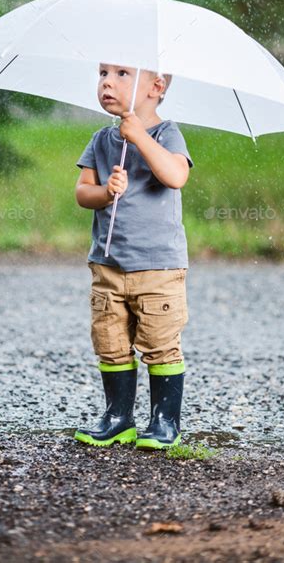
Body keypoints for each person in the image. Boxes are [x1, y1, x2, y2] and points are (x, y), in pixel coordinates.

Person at [74, 63, 194, 449]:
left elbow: (175, 175)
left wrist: (140, 137)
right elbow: (82, 193)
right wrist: (106, 191)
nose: (107, 81)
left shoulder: (166, 133)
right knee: (109, 340)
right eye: (103, 73)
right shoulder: (101, 140)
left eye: (122, 74)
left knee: (160, 341)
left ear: (155, 87)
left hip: (158, 266)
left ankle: (164, 422)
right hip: (108, 265)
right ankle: (118, 416)